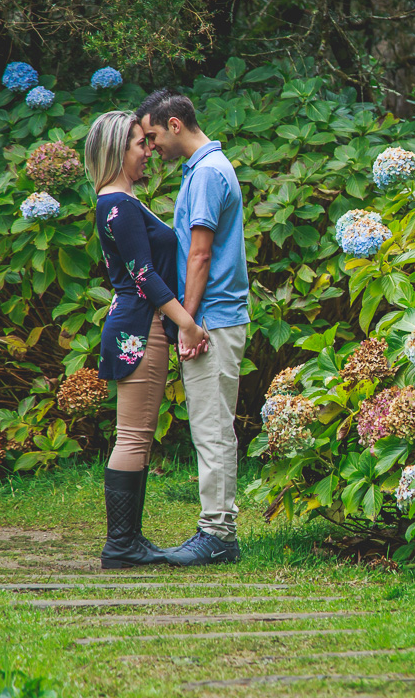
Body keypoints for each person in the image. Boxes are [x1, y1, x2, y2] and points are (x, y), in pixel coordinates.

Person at [85, 110, 209, 569]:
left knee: (135, 436)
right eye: (140, 144)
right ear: (119, 150)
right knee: (134, 438)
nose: (148, 152)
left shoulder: (122, 202)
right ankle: (122, 543)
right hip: (139, 327)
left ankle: (128, 540)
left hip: (140, 324)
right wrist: (188, 324)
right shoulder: (116, 204)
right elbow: (143, 275)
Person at [138, 89, 250, 567]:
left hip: (212, 321)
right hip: (214, 317)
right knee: (210, 425)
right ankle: (216, 529)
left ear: (175, 125)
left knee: (211, 428)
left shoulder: (205, 174)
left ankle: (218, 535)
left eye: (153, 135)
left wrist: (187, 321)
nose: (150, 146)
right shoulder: (208, 168)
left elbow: (200, 254)